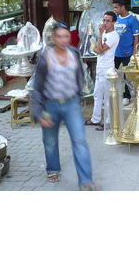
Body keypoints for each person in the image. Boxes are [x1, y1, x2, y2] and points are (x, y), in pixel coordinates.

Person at [31, 22, 97, 190]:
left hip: (71, 103)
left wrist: (80, 94)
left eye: (66, 36)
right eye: (59, 36)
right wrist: (38, 113)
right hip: (50, 104)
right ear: (53, 38)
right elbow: (37, 87)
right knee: (50, 141)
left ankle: (86, 180)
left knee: (80, 140)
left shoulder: (74, 53)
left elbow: (80, 75)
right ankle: (53, 169)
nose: (63, 40)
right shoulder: (46, 56)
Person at [85, 11, 119, 130]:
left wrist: (99, 35)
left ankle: (109, 122)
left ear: (113, 22)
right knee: (97, 94)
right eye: (104, 20)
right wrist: (100, 41)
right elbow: (95, 48)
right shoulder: (104, 33)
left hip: (108, 69)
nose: (105, 23)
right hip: (100, 68)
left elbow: (99, 50)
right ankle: (95, 118)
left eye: (108, 21)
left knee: (108, 97)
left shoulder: (114, 36)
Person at [112, 0, 139, 105]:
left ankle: (126, 95)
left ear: (123, 7)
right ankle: (112, 93)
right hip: (115, 51)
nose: (114, 9)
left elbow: (136, 38)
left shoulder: (132, 20)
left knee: (126, 75)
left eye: (116, 7)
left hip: (127, 52)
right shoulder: (115, 19)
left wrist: (134, 53)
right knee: (112, 72)